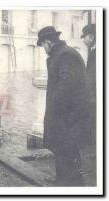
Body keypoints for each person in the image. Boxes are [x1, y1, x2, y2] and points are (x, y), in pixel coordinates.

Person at [37, 26, 91, 186]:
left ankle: (72, 185)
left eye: (43, 45)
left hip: (70, 116)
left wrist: (54, 109)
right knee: (61, 148)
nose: (43, 49)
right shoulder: (60, 54)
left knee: (67, 149)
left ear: (48, 42)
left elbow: (65, 87)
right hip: (64, 115)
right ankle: (61, 179)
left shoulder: (66, 55)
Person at [81, 24, 97, 186]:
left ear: (91, 36)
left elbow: (90, 80)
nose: (84, 40)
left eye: (84, 36)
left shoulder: (95, 53)